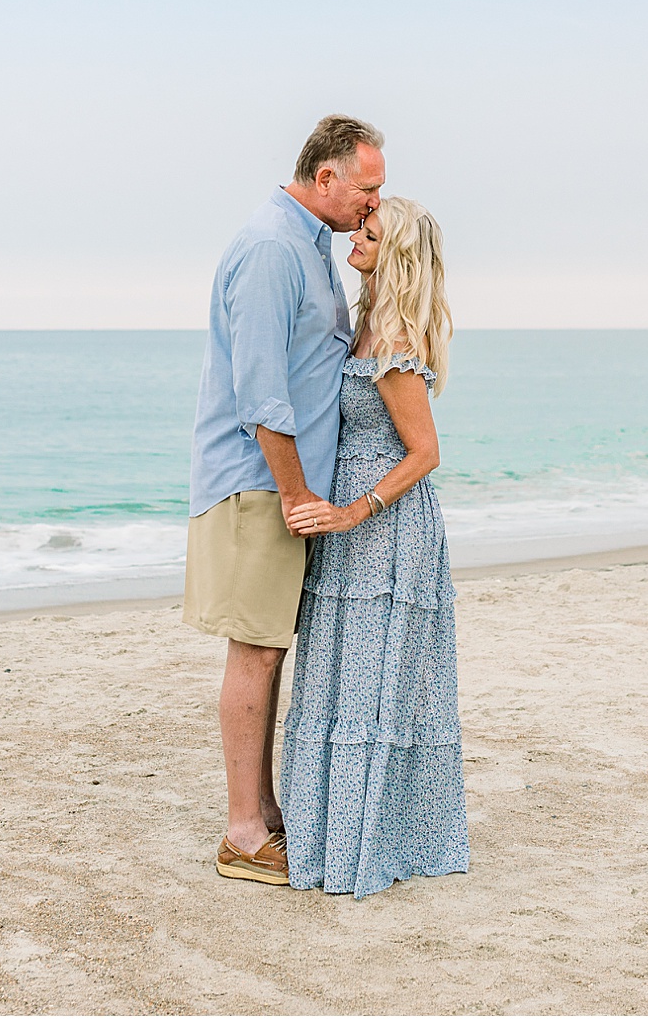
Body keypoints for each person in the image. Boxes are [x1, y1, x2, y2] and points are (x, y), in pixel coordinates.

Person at [185, 114, 384, 887]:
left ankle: (263, 812)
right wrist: (297, 492)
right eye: (367, 188)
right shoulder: (273, 248)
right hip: (258, 481)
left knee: (268, 645)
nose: (373, 204)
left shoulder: (308, 246)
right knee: (257, 647)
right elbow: (261, 395)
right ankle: (242, 831)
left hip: (281, 482)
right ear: (325, 177)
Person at [280, 196, 470, 898]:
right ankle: (329, 833)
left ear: (393, 253)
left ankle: (368, 842)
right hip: (348, 526)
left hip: (385, 528)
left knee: (377, 685)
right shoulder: (363, 322)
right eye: (360, 224)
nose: (355, 236)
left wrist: (357, 509)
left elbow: (426, 452)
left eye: (370, 231)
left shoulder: (390, 338)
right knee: (341, 677)